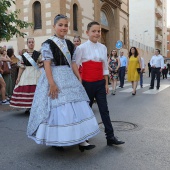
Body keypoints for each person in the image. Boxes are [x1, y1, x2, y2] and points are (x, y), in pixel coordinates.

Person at [27, 14, 99, 152]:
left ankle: (82, 140)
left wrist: (78, 77)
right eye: (60, 25)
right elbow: (47, 64)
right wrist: (52, 84)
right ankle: (57, 140)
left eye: (66, 25)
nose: (64, 28)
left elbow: (72, 63)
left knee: (77, 106)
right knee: (59, 109)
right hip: (55, 77)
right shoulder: (48, 44)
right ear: (54, 26)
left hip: (69, 77)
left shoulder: (70, 44)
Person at [73, 21, 125, 146]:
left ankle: (110, 137)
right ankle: (83, 137)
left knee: (104, 110)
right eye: (94, 31)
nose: (97, 33)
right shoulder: (81, 48)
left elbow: (105, 67)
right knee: (86, 110)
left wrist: (106, 83)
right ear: (87, 33)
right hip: (87, 84)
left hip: (100, 83)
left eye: (99, 31)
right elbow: (74, 63)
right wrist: (80, 79)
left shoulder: (103, 48)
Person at [10, 38, 42, 114]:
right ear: (27, 44)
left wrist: (40, 64)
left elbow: (42, 63)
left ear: (34, 43)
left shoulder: (38, 54)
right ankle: (28, 107)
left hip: (36, 73)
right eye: (29, 42)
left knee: (35, 90)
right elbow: (21, 67)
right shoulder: (24, 55)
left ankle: (35, 107)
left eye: (32, 42)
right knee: (27, 89)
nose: (31, 44)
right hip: (26, 73)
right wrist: (18, 78)